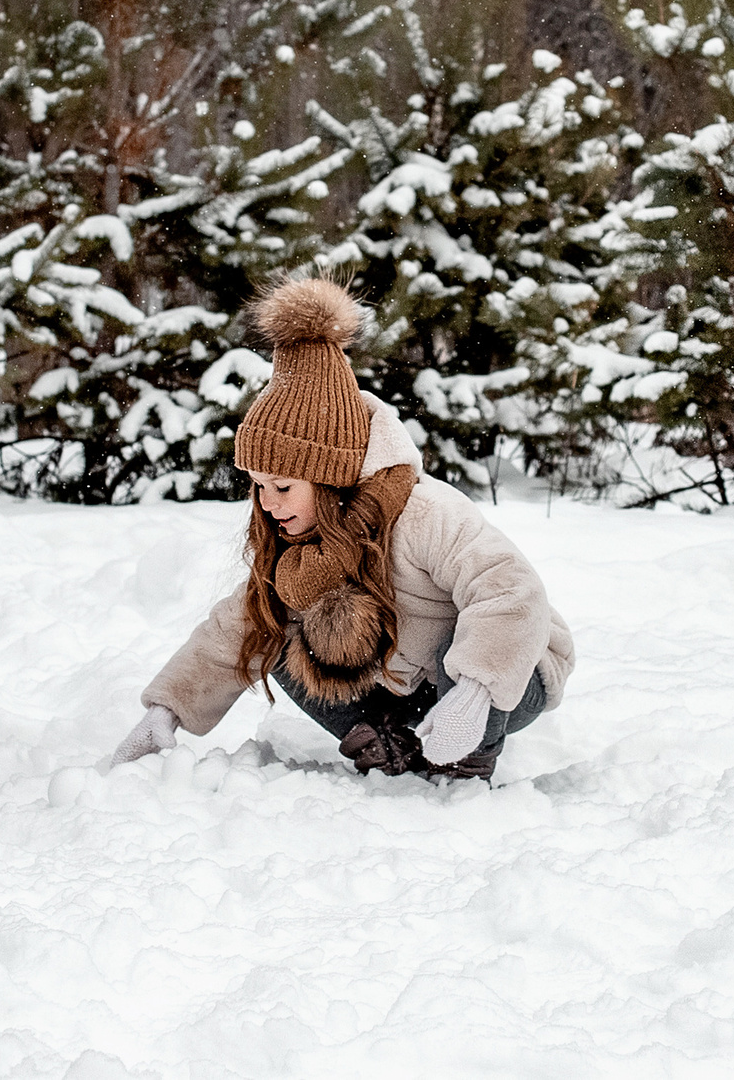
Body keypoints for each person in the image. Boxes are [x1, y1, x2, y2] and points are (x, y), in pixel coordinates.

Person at [110, 278, 576, 782]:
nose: (267, 504)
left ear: (331, 477)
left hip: (510, 672)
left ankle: (465, 761)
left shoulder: (424, 513)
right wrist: (167, 710)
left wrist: (475, 693)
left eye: (283, 487)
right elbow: (238, 626)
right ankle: (385, 742)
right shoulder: (298, 539)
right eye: (258, 487)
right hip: (404, 688)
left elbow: (511, 590)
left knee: (454, 651)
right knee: (278, 636)